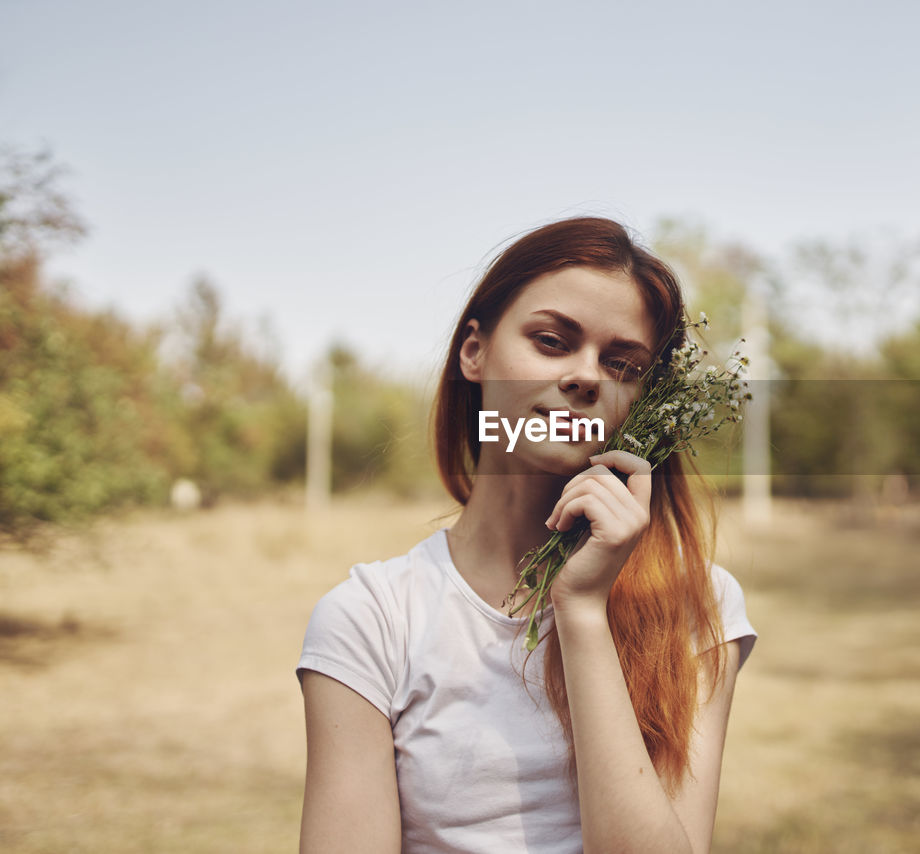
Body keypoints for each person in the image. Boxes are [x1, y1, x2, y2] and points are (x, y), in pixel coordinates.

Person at [296, 216, 757, 854]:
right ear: (474, 352)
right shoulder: (373, 619)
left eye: (623, 364)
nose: (587, 376)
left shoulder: (695, 606)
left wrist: (583, 611)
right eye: (550, 341)